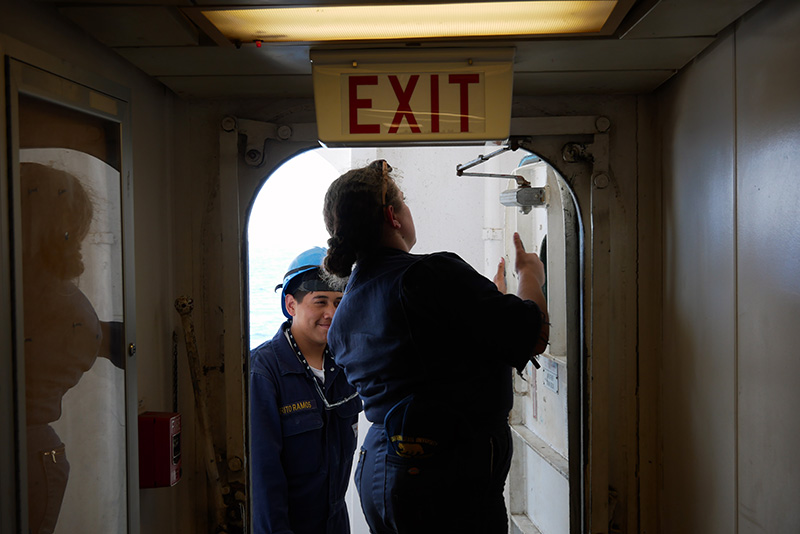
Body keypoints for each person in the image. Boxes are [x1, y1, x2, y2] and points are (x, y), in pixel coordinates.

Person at [322, 160, 549, 534]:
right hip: (444, 475)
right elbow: (532, 334)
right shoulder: (428, 275)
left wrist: (491, 302)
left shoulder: (345, 309)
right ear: (393, 216)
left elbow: (422, 362)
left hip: (380, 470)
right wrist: (530, 275)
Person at [249, 247, 362, 534]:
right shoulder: (263, 371)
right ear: (291, 305)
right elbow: (263, 481)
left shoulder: (348, 363)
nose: (331, 314)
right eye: (320, 302)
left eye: (339, 302)